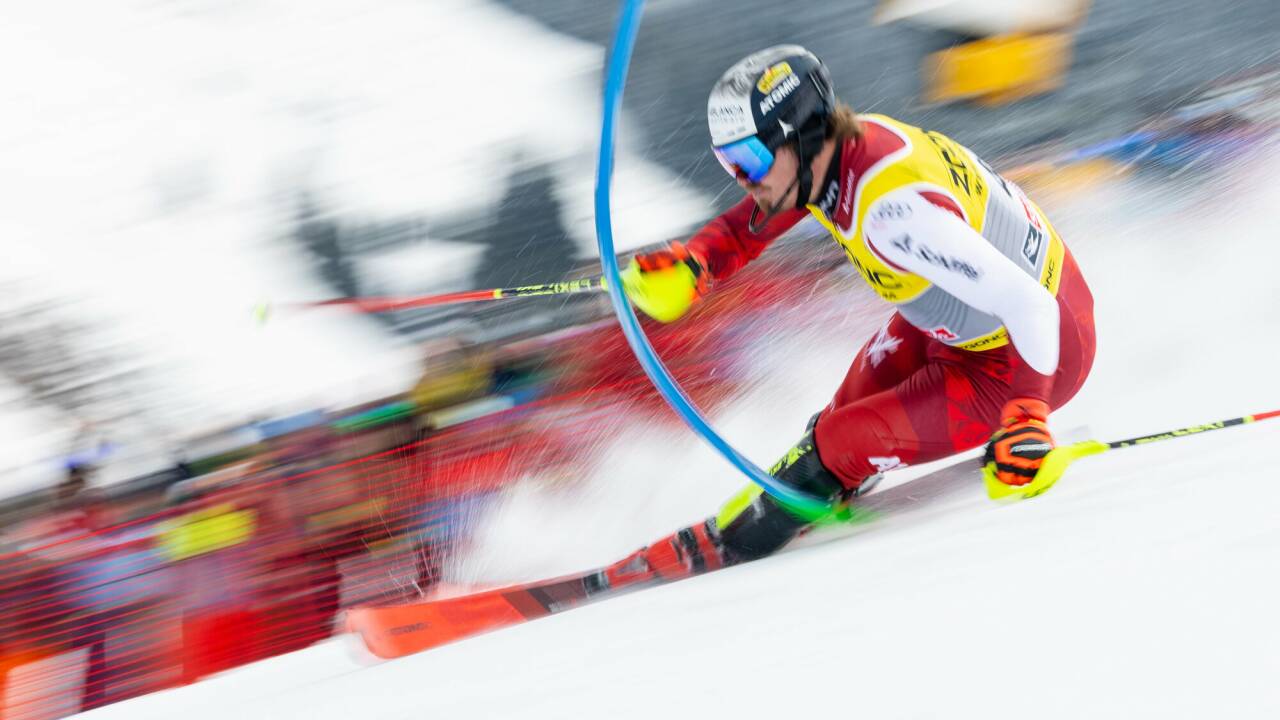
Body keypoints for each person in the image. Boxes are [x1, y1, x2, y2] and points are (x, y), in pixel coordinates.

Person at [600, 44, 1096, 587]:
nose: (742, 178)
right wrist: (697, 262)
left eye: (750, 161)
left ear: (801, 135)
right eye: (729, 163)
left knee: (841, 441)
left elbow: (1029, 303)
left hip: (1033, 350)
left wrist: (1026, 415)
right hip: (958, 326)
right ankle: (818, 481)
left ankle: (754, 529)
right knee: (840, 412)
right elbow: (759, 218)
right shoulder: (837, 156)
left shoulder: (894, 212)